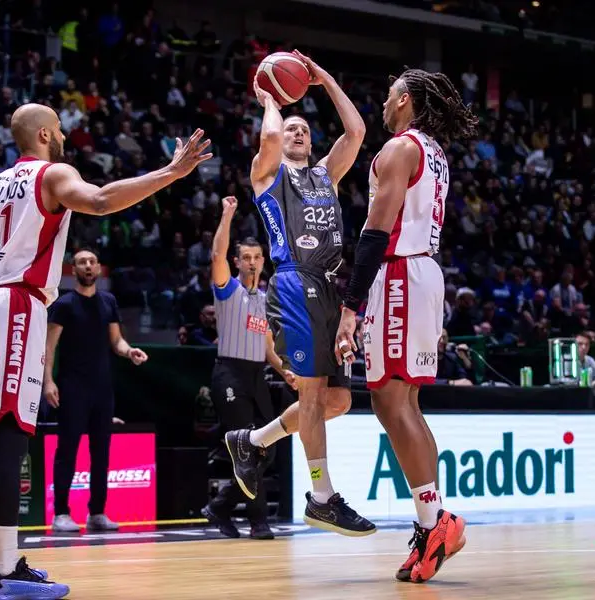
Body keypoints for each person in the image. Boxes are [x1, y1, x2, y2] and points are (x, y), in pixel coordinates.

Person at [0, 103, 210, 598]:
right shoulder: (54, 173)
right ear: (42, 134)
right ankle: (8, 571)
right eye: (58, 130)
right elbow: (99, 201)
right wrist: (170, 171)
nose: (64, 137)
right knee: (11, 434)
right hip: (15, 304)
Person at [335, 68, 479, 583]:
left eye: (390, 92)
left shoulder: (399, 149)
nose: (383, 99)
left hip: (398, 274)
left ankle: (435, 520)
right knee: (405, 403)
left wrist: (351, 306)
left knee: (390, 403)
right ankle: (433, 520)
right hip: (423, 274)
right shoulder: (434, 151)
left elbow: (376, 230)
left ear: (405, 100)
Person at [223, 50, 375, 536]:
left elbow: (356, 133)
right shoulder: (267, 175)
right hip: (293, 282)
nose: (298, 130)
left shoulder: (324, 175)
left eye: (304, 127)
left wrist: (324, 77)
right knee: (311, 395)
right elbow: (269, 135)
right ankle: (321, 496)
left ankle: (252, 441)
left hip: (330, 286)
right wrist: (270, 94)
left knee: (337, 401)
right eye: (291, 126)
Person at [201, 195, 297, 540]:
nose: (253, 262)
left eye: (257, 257)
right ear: (238, 263)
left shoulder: (265, 299)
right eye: (246, 258)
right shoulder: (229, 292)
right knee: (247, 447)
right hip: (230, 373)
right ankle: (258, 521)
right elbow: (216, 255)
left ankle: (221, 506)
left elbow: (269, 346)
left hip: (258, 375)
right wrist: (226, 216)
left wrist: (285, 369)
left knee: (266, 448)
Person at [45, 248, 149, 533]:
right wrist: (48, 381)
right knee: (68, 449)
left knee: (101, 451)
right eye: (82, 262)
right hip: (72, 386)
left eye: (92, 262)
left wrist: (130, 353)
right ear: (74, 269)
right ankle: (62, 513)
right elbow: (49, 346)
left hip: (102, 387)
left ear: (99, 268)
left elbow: (117, 342)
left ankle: (97, 513)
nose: (88, 266)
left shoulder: (108, 302)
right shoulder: (63, 304)